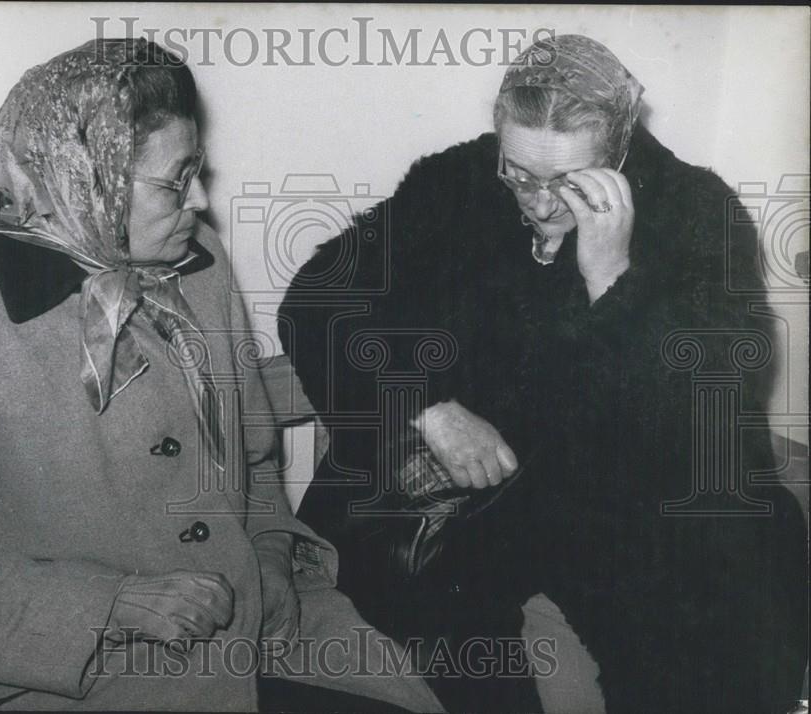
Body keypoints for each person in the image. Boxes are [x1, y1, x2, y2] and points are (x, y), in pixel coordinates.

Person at [0, 38, 444, 713]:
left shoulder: (200, 263)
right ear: (83, 177)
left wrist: (273, 554)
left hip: (268, 632)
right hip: (81, 670)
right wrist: (112, 604)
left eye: (198, 171)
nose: (201, 203)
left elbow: (255, 456)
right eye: (174, 180)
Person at [279, 34, 808, 713]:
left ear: (618, 151)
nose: (540, 202)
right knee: (451, 623)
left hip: (620, 487)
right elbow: (318, 298)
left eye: (569, 182)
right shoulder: (458, 181)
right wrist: (429, 407)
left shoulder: (697, 212)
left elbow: (716, 407)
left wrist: (612, 279)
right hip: (484, 487)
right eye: (520, 174)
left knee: (729, 585)